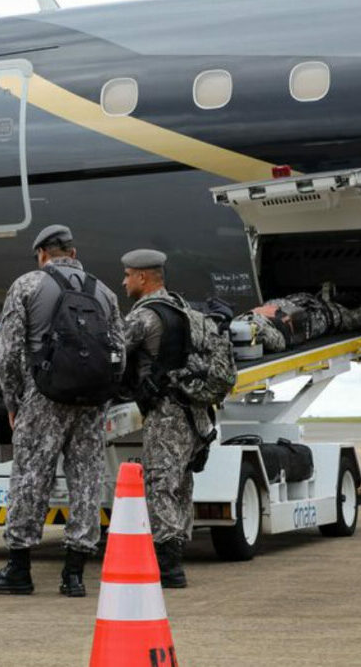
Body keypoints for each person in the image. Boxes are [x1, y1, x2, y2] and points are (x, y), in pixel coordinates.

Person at [0, 225, 123, 597]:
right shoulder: (103, 292)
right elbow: (119, 354)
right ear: (72, 253)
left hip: (43, 398)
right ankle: (74, 575)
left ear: (42, 253)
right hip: (89, 403)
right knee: (87, 482)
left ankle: (19, 570)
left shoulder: (27, 286)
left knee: (29, 480)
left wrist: (13, 403)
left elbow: (7, 353)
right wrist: (101, 398)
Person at [120, 248, 213, 588]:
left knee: (160, 484)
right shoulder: (188, 313)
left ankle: (169, 566)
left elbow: (113, 352)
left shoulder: (145, 317)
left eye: (128, 275)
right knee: (181, 484)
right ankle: (177, 552)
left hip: (166, 414)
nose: (124, 281)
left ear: (143, 277)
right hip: (196, 413)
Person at [238, 283, 361, 354]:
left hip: (294, 309)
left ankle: (356, 304)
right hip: (302, 315)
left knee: (335, 315)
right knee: (339, 317)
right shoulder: (247, 325)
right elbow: (279, 343)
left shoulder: (244, 325)